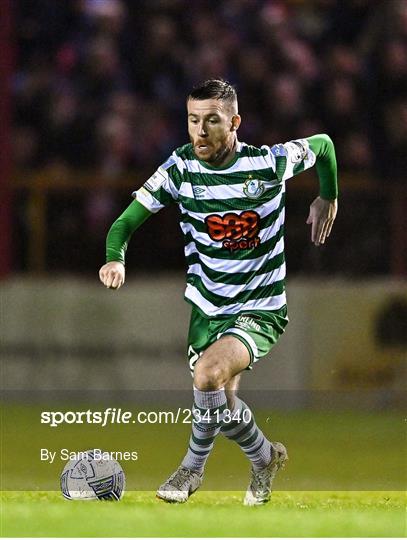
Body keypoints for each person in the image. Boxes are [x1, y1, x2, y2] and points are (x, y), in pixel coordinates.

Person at [99, 79, 338, 505]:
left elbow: (322, 144)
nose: (200, 131)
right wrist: (115, 257)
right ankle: (265, 457)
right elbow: (124, 223)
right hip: (209, 309)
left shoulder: (266, 165)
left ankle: (191, 469)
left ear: (234, 123)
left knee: (207, 374)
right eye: (193, 120)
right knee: (222, 408)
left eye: (212, 120)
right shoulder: (179, 168)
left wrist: (327, 195)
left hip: (260, 307)